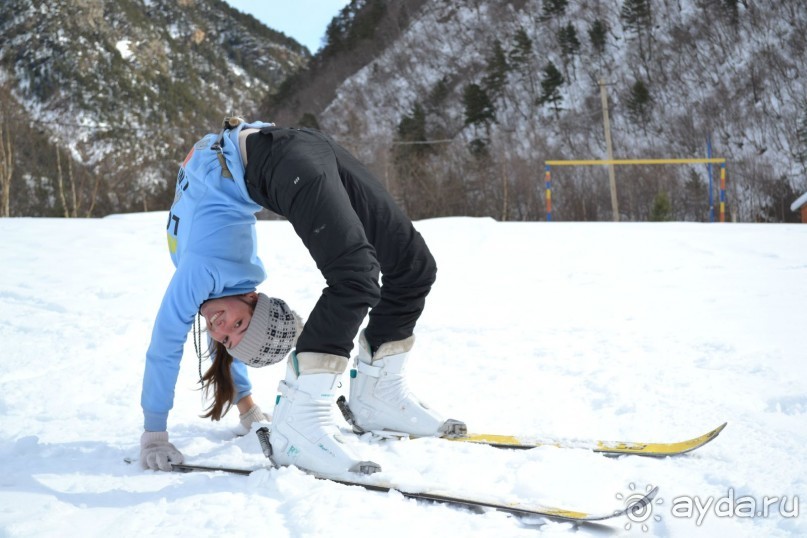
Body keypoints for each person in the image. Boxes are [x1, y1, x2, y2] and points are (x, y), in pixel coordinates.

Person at [140, 117, 466, 476]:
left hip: (285, 149)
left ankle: (377, 396)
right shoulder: (219, 286)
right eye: (236, 326)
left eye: (230, 331)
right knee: (371, 272)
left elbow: (168, 344)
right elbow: (220, 347)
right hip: (287, 152)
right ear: (252, 298)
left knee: (410, 266)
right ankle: (311, 411)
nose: (220, 326)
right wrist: (235, 407)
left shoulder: (201, 275)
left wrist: (159, 430)